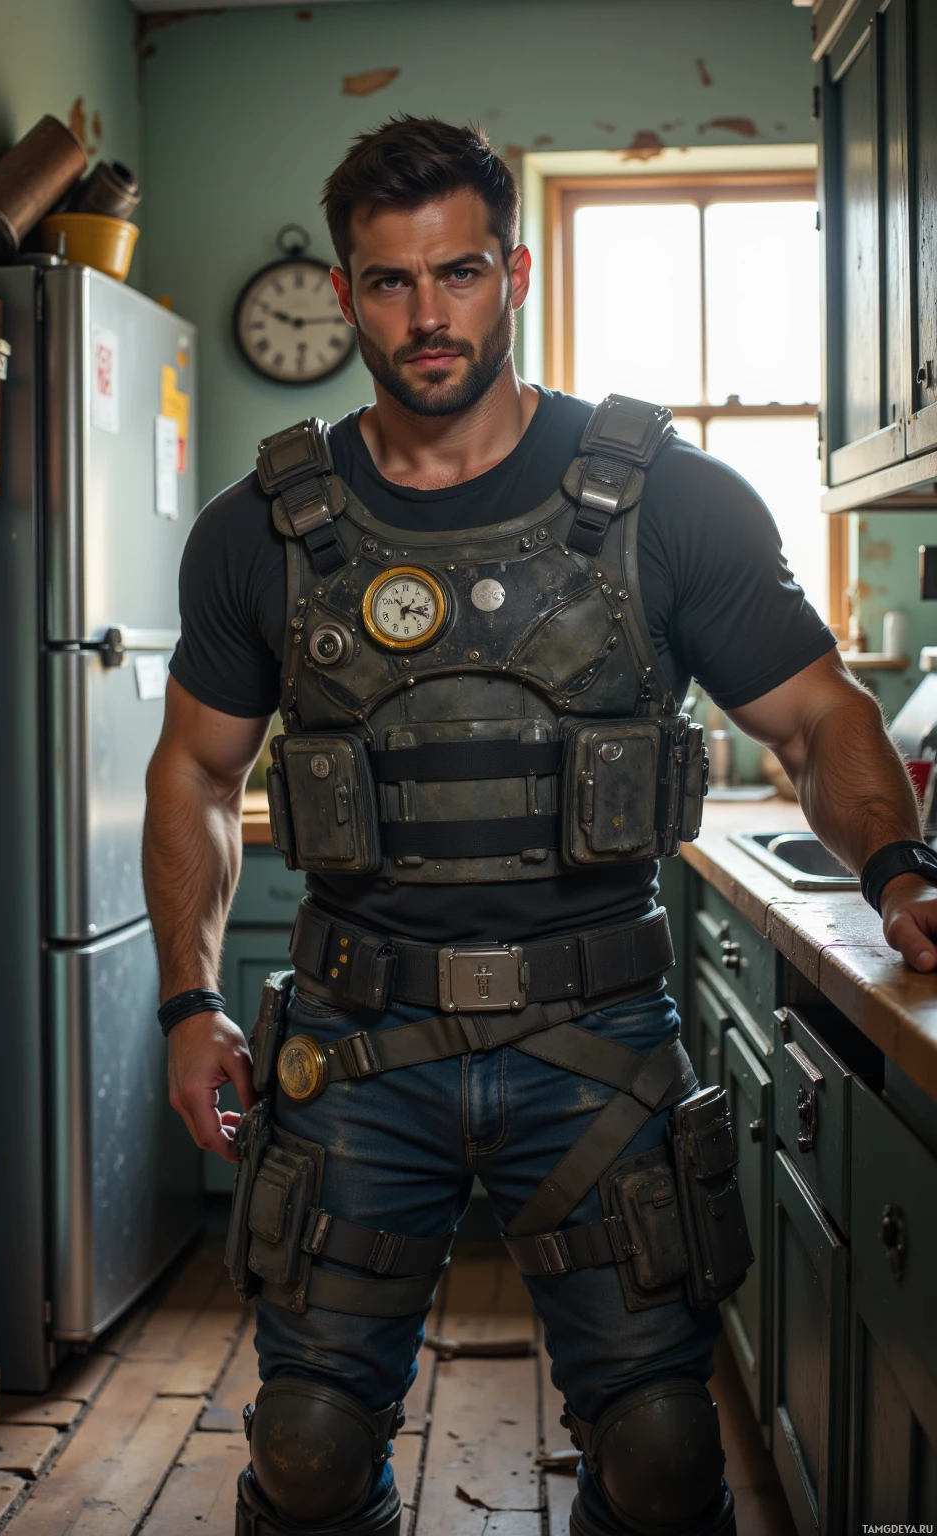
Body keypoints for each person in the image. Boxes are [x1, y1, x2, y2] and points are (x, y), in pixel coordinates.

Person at [142, 117, 937, 1536]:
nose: (427, 315)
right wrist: (189, 1001)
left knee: (660, 1458)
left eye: (458, 274)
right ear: (343, 292)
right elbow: (195, 776)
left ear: (512, 269)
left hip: (600, 1048)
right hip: (353, 1046)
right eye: (389, 283)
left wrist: (893, 869)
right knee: (311, 1449)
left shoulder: (669, 502)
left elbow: (820, 720)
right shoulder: (254, 530)